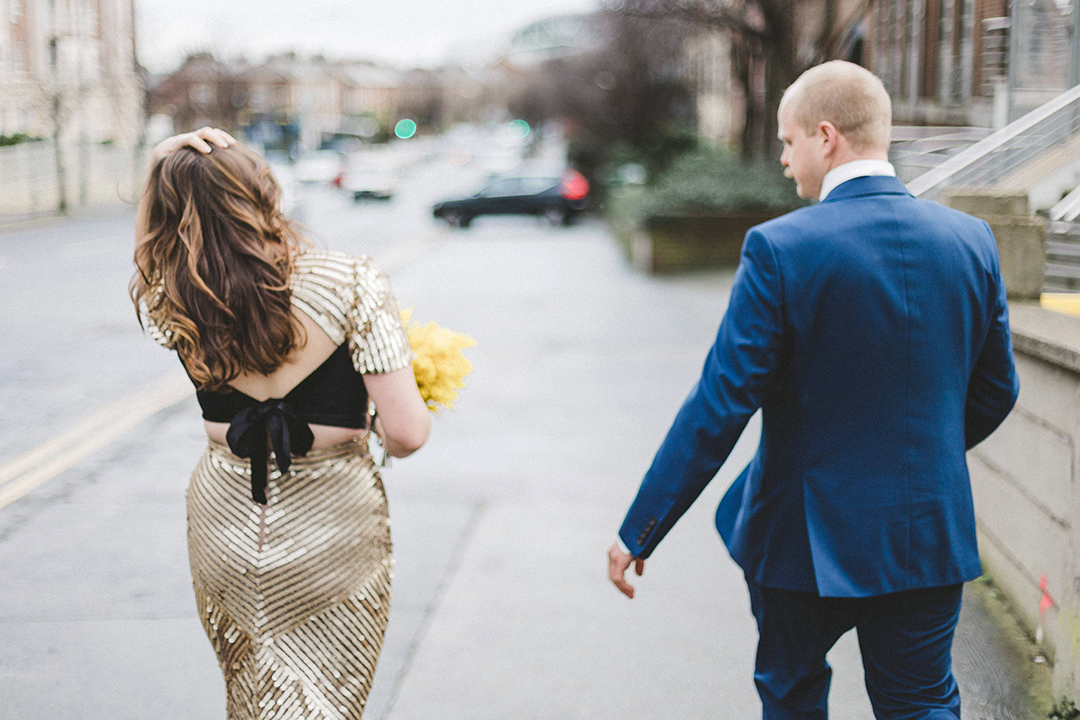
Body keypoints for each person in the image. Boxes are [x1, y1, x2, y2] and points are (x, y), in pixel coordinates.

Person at [607, 61, 1019, 719]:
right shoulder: (971, 241)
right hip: (925, 532)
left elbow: (719, 405)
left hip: (801, 541)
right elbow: (997, 389)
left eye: (787, 141)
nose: (781, 158)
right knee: (921, 705)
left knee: (792, 697)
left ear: (826, 137)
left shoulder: (779, 248)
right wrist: (921, 460)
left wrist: (642, 528)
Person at [131, 127, 431, 719]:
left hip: (226, 521)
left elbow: (146, 255)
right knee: (329, 702)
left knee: (252, 697)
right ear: (265, 193)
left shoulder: (177, 295)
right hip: (335, 523)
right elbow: (409, 432)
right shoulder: (351, 281)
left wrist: (161, 165)